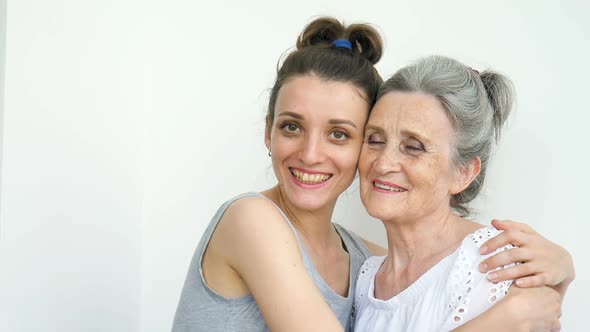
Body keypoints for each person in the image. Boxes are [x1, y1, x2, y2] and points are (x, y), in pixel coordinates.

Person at [173, 18, 574, 332]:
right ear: (268, 132)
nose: (311, 154)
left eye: (339, 134)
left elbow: (429, 269)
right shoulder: (251, 219)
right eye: (292, 126)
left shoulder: (364, 264)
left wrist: (561, 273)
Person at [353, 55, 574, 332]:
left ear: (464, 173)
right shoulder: (366, 279)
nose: (383, 163)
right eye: (374, 140)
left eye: (414, 147)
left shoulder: (492, 263)